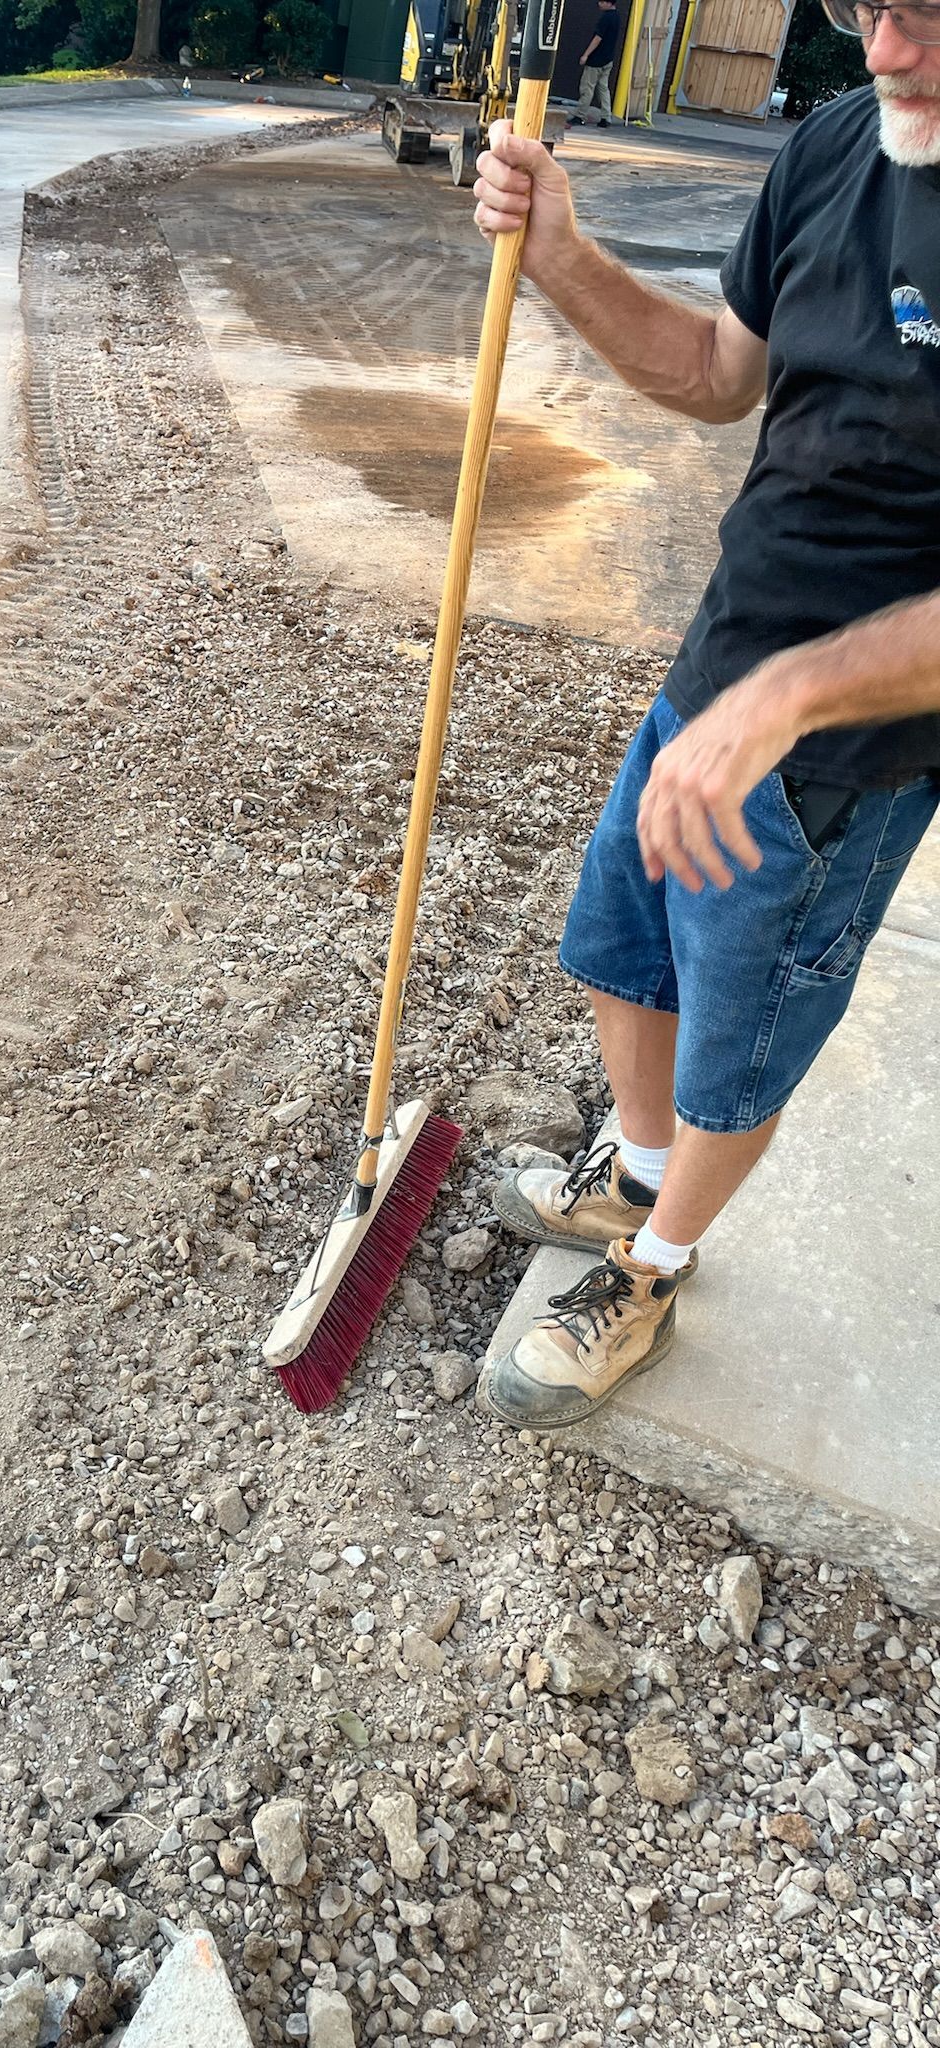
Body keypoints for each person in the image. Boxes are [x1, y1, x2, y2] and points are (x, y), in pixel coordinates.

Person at [471, 0, 940, 1430]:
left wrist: (790, 700)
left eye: (924, 11)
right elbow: (710, 374)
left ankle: (658, 1267)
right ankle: (631, 1171)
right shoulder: (838, 140)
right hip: (722, 661)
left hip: (851, 747)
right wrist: (558, 257)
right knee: (624, 947)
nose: (883, 44)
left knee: (741, 1040)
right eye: (867, 4)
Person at [574, 0, 621, 125]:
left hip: (596, 60)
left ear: (609, 3)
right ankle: (606, 117)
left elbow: (598, 38)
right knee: (603, 88)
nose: (599, 3)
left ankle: (580, 115)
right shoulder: (616, 17)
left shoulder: (605, 18)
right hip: (608, 59)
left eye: (602, 1)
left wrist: (586, 54)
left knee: (587, 88)